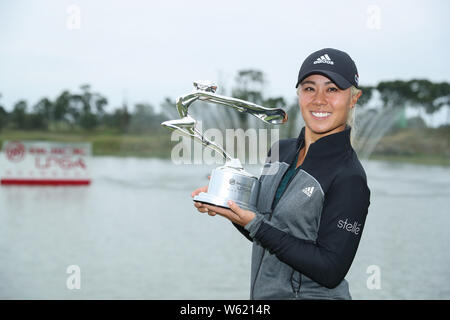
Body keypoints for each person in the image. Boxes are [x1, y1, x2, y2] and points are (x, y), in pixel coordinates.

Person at [191, 48, 370, 300]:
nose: (319, 99)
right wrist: (229, 206)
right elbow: (266, 228)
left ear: (353, 98)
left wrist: (255, 224)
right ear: (298, 94)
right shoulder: (280, 151)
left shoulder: (350, 177)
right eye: (309, 88)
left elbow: (331, 269)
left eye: (332, 89)